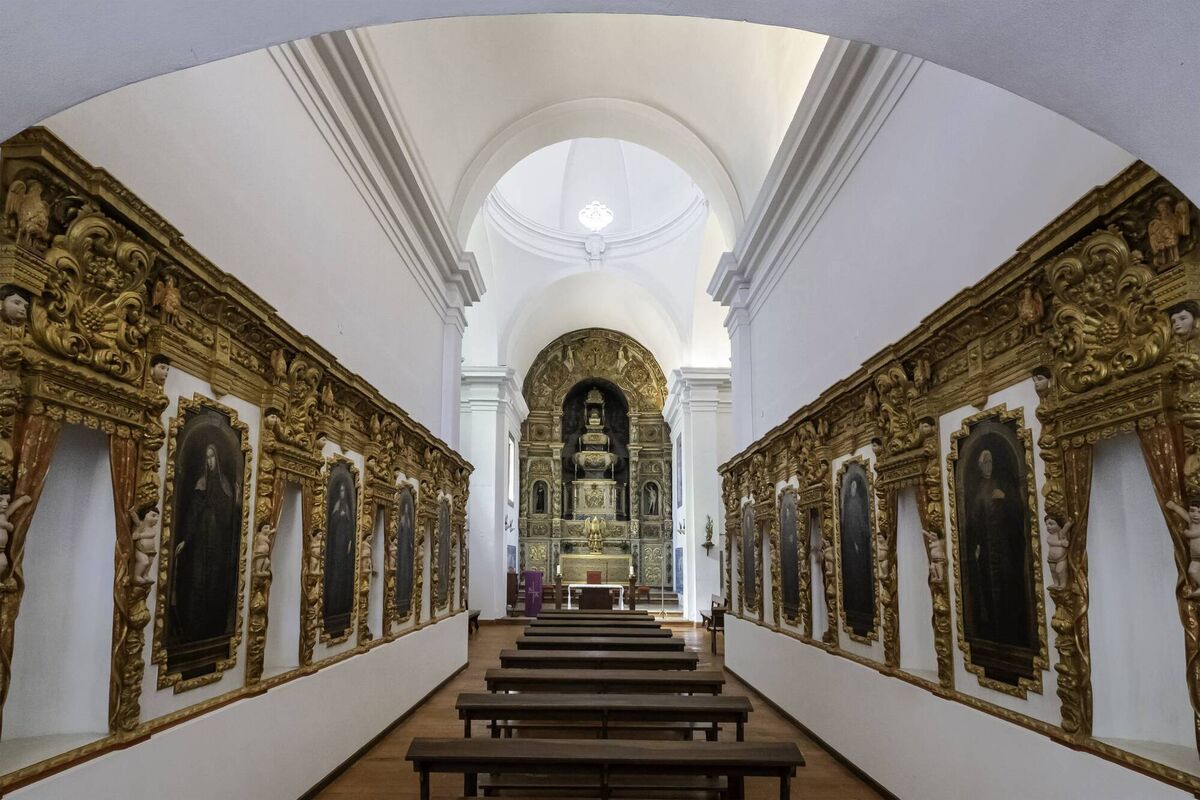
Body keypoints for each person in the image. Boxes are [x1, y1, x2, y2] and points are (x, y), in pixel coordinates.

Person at [965, 447, 1030, 646]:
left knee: (1008, 585)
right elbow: (972, 521)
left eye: (990, 462)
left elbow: (1019, 510)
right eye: (984, 463)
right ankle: (995, 631)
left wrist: (1005, 499)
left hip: (1004, 546)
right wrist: (976, 545)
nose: (987, 466)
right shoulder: (976, 491)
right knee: (989, 589)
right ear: (978, 466)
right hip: (985, 548)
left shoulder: (1004, 484)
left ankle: (1013, 630)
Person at [173, 441, 237, 643]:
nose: (210, 461)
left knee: (214, 583)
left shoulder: (225, 485)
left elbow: (229, 519)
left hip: (218, 544)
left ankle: (212, 626)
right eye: (207, 457)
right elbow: (192, 515)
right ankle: (194, 628)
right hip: (200, 542)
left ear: (217, 459)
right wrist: (185, 539)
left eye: (212, 457)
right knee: (197, 582)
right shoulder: (200, 483)